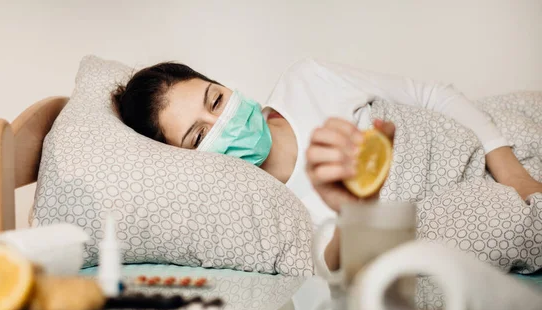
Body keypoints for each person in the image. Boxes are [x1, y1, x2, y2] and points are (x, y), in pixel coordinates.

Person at [112, 59, 542, 271]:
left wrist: (512, 171)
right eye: (200, 136)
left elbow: (430, 96)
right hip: (474, 203)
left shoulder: (307, 79)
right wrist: (358, 209)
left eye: (216, 100)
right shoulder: (270, 218)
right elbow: (343, 272)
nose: (222, 121)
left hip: (497, 143)